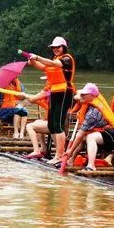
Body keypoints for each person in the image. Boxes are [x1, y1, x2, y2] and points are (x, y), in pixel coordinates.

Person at [22, 36, 75, 165]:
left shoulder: (66, 59)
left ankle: (60, 155)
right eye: (54, 48)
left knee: (58, 125)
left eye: (58, 47)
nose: (56, 49)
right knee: (52, 125)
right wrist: (32, 61)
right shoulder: (54, 59)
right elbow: (44, 67)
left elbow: (50, 64)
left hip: (64, 92)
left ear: (64, 47)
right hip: (54, 93)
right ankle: (57, 153)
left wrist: (37, 57)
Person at [64, 83, 114, 171]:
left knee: (89, 137)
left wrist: (70, 150)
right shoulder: (91, 100)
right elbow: (78, 96)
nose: (82, 97)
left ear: (92, 96)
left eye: (85, 95)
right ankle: (71, 160)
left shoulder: (93, 113)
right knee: (83, 138)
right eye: (82, 94)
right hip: (103, 130)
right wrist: (79, 96)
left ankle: (91, 166)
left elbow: (80, 134)